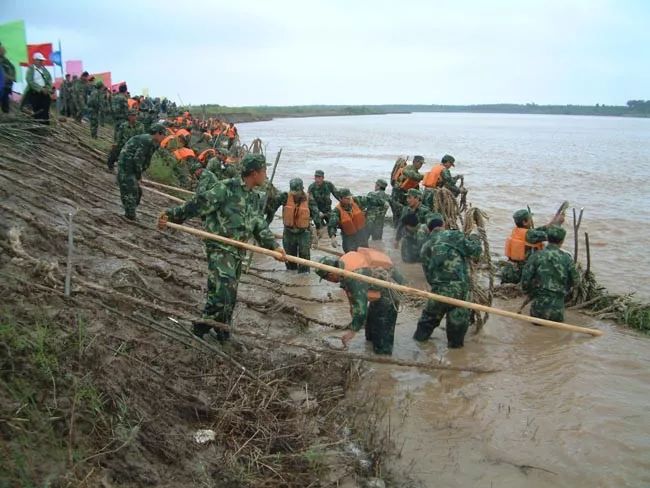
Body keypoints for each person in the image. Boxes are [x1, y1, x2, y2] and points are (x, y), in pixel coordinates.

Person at [158, 154, 287, 341]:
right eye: (264, 171)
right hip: (220, 247)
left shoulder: (253, 197)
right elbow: (198, 204)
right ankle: (201, 328)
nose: (266, 175)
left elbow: (259, 224)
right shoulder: (226, 188)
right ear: (254, 173)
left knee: (230, 295)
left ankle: (222, 328)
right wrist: (171, 215)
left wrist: (274, 247)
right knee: (221, 291)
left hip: (237, 251)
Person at [315, 249, 405, 355]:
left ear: (330, 274)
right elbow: (351, 293)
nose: (328, 281)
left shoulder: (354, 277)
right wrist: (352, 309)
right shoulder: (342, 266)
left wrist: (352, 332)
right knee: (370, 333)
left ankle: (383, 360)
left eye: (326, 278)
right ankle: (372, 349)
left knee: (382, 334)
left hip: (389, 291)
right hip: (377, 289)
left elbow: (361, 310)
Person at [413, 216, 483, 348]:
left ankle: (417, 351)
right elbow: (476, 252)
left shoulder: (425, 247)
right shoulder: (453, 235)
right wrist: (475, 236)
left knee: (424, 326)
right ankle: (454, 360)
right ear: (443, 225)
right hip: (459, 293)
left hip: (438, 293)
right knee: (456, 337)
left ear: (429, 230)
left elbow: (429, 276)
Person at [521, 226, 579, 322]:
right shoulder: (567, 258)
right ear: (562, 241)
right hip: (557, 309)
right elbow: (576, 281)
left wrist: (531, 292)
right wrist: (564, 290)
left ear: (547, 238)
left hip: (538, 307)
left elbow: (525, 280)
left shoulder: (536, 256)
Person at [270, 178, 322, 273]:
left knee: (304, 258)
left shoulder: (309, 199)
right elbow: (272, 208)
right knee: (289, 258)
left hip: (304, 233)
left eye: (297, 192)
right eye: (293, 192)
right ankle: (292, 278)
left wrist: (318, 229)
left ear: (302, 189)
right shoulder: (284, 196)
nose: (295, 194)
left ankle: (303, 279)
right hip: (288, 232)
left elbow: (316, 214)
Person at [116, 123, 166, 220]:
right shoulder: (146, 140)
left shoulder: (153, 143)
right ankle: (130, 216)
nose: (164, 138)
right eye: (163, 135)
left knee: (137, 192)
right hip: (127, 166)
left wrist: (140, 173)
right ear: (158, 133)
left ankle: (130, 212)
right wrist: (138, 176)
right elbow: (137, 159)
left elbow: (146, 159)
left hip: (132, 167)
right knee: (131, 191)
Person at [501, 209, 563, 284]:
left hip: (510, 270)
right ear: (524, 222)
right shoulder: (530, 235)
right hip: (521, 273)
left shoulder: (517, 231)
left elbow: (536, 231)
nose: (531, 221)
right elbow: (553, 236)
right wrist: (558, 224)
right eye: (530, 219)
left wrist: (551, 224)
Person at [395, 188, 433, 263]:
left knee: (420, 263)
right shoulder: (405, 209)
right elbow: (401, 224)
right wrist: (397, 239)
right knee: (407, 265)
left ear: (417, 198)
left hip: (419, 242)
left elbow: (429, 229)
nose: (407, 200)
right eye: (407, 197)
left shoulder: (425, 211)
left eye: (410, 197)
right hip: (407, 242)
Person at [328, 188, 368, 252]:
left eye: (350, 197)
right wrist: (333, 238)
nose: (349, 199)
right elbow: (332, 225)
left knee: (365, 251)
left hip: (361, 234)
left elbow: (369, 200)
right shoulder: (336, 211)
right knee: (350, 253)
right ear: (340, 199)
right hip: (348, 236)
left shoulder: (356, 200)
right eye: (347, 198)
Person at [391, 155, 424, 225]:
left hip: (404, 195)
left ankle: (397, 228)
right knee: (398, 213)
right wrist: (424, 176)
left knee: (402, 213)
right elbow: (412, 175)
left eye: (422, 164)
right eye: (420, 163)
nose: (421, 165)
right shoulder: (409, 168)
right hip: (398, 194)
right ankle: (396, 229)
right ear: (414, 162)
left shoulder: (416, 171)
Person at [23, 52, 53, 124]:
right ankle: (37, 127)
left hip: (45, 93)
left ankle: (45, 127)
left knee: (45, 111)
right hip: (35, 93)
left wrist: (47, 88)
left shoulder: (45, 70)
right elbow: (30, 81)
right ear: (35, 60)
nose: (41, 62)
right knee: (36, 112)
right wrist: (40, 89)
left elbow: (49, 80)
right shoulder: (30, 69)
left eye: (41, 60)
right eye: (39, 60)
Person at [0, 42, 17, 113]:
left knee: (5, 104)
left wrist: (11, 78)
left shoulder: (6, 61)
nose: (3, 50)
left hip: (6, 86)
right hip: (3, 85)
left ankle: (5, 116)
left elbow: (12, 69)